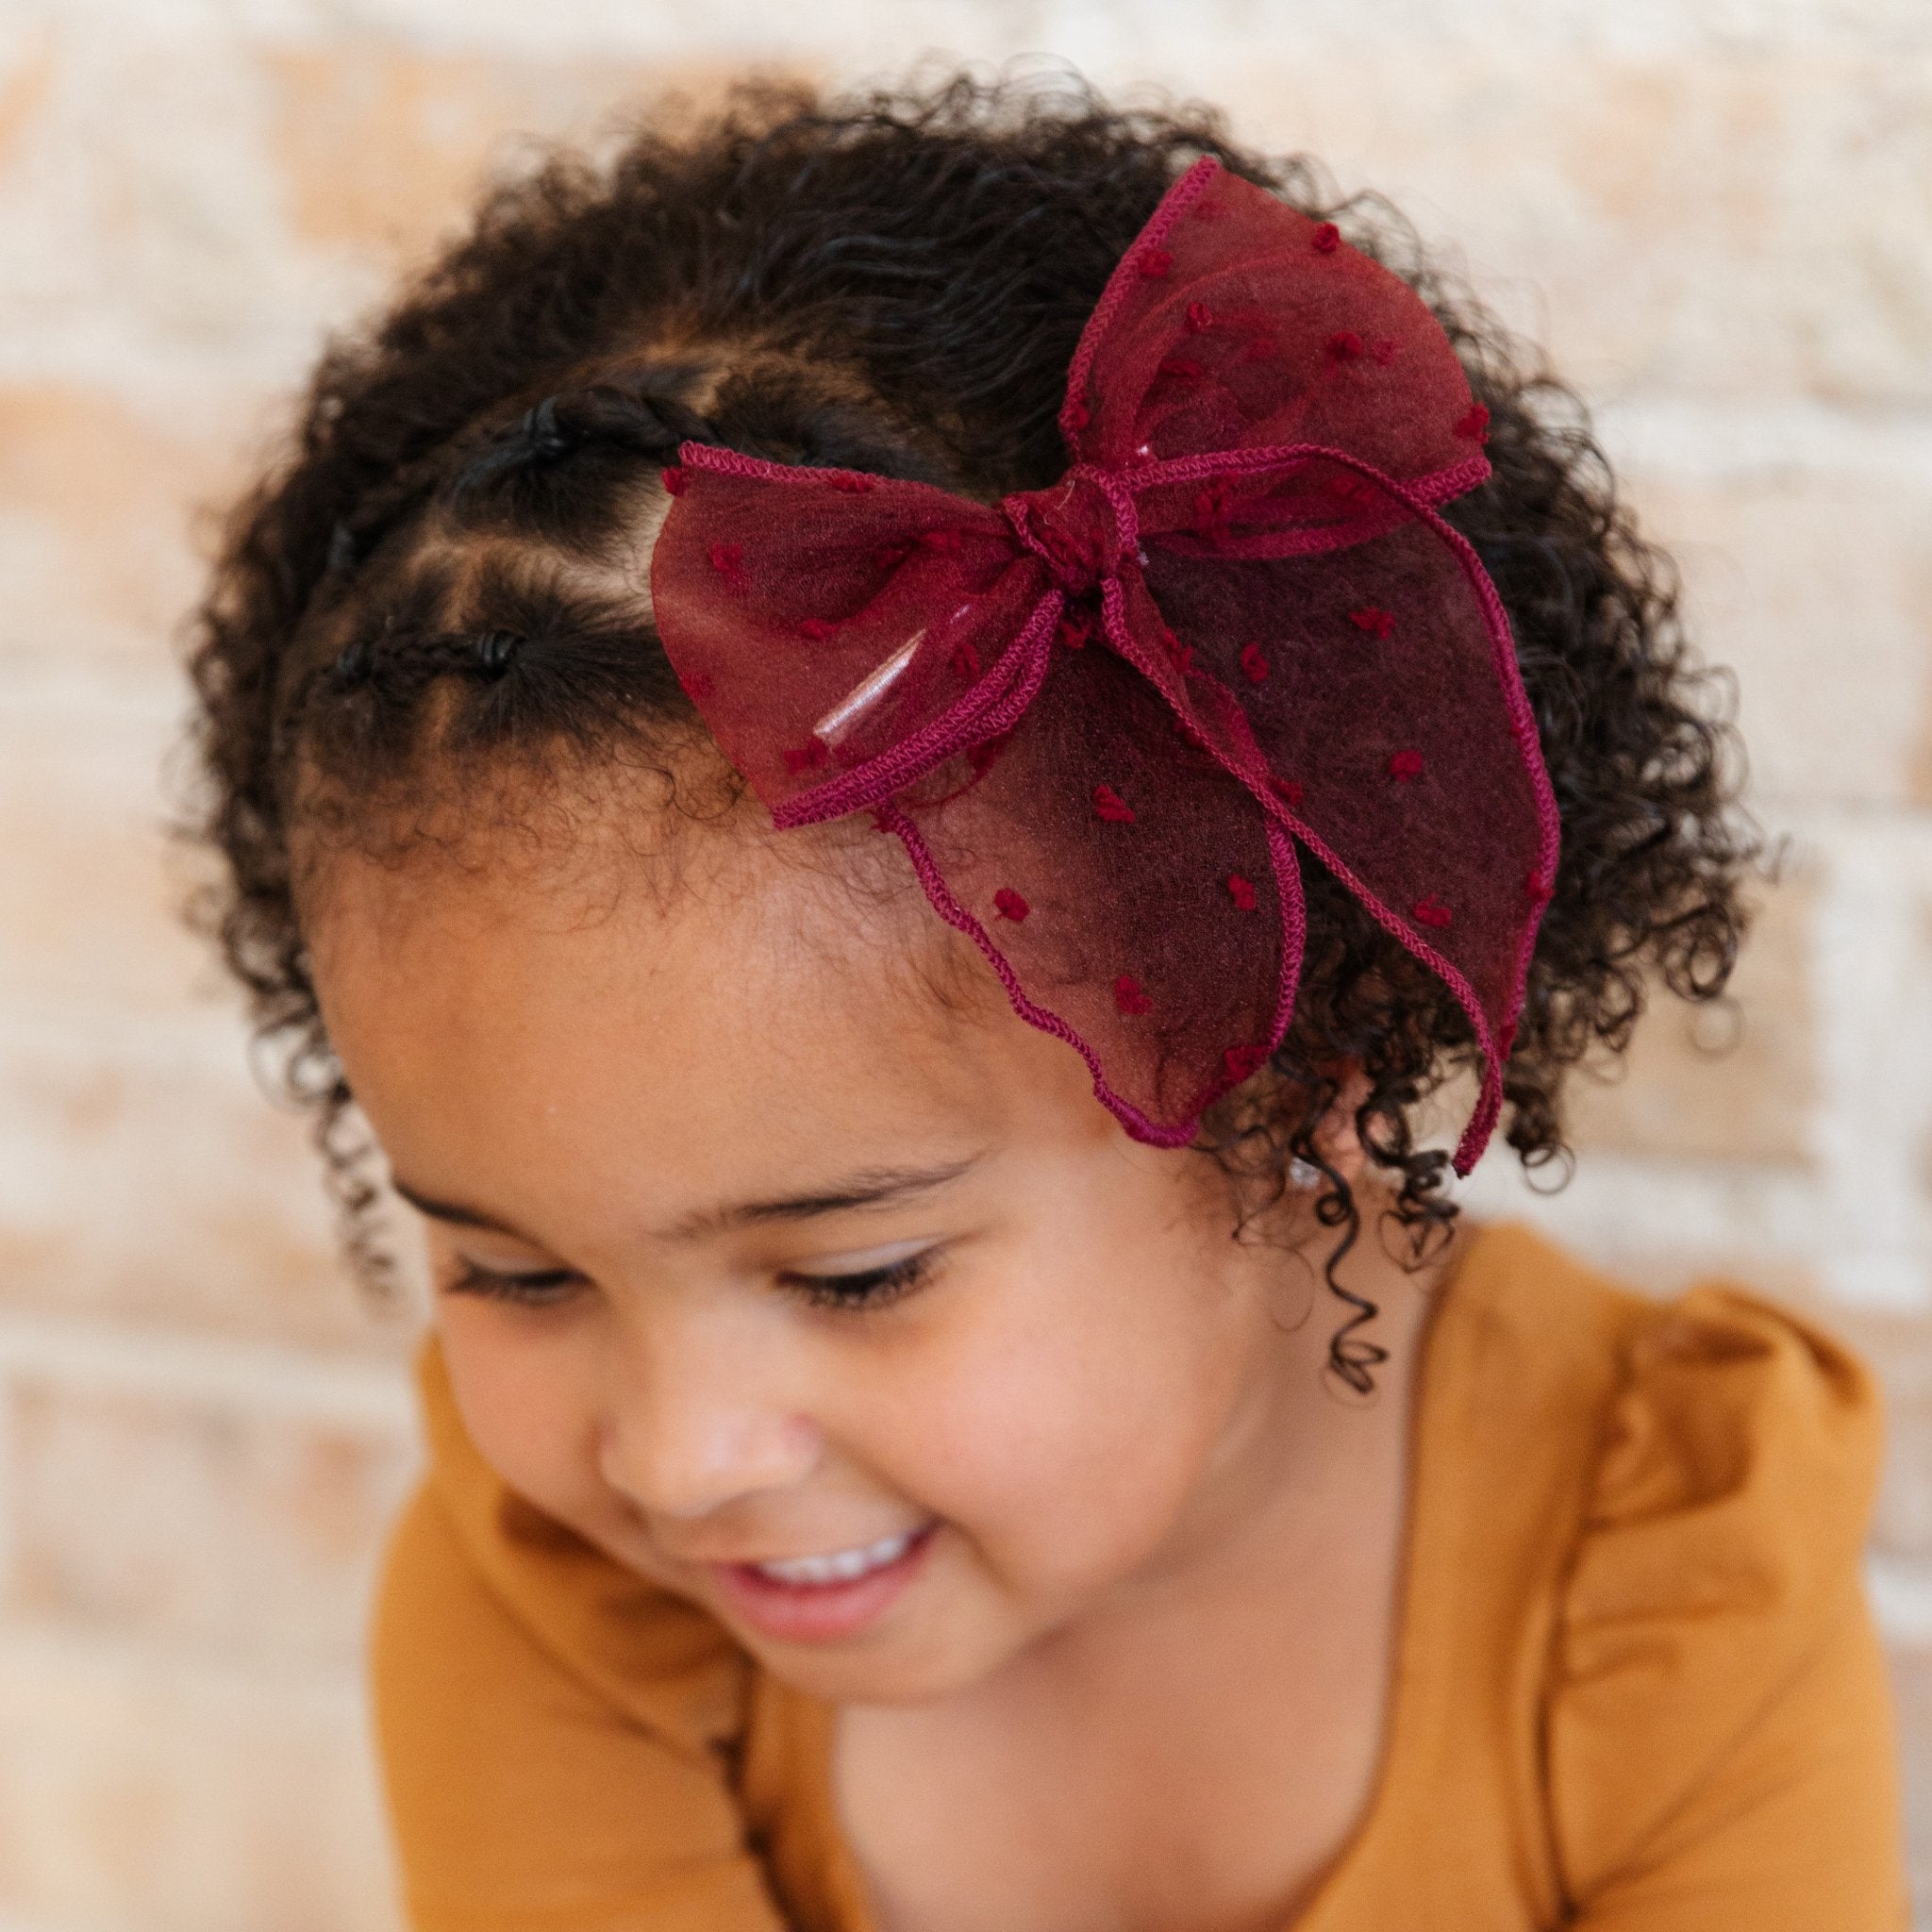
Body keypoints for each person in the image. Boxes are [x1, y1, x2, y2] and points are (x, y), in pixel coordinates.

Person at [186, 75, 1907, 1932]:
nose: (676, 1454)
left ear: (1300, 1084)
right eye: (517, 1274)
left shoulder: (1652, 1563)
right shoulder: (563, 1598)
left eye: (853, 1273)